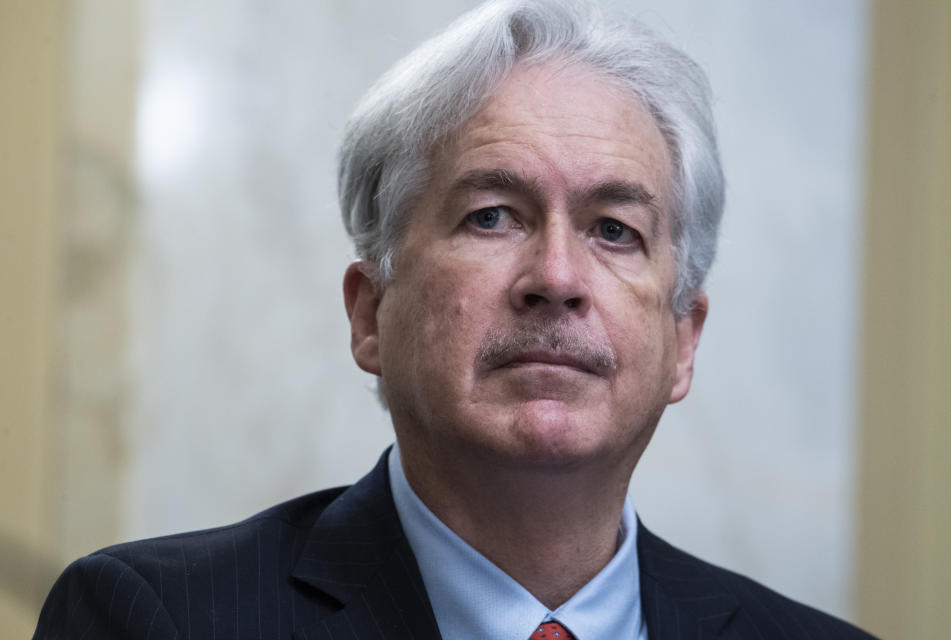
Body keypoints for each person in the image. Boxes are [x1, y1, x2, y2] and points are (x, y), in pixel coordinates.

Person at [35, 1, 878, 638]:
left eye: (614, 230)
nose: (555, 278)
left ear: (683, 342)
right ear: (370, 313)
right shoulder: (156, 619)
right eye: (492, 215)